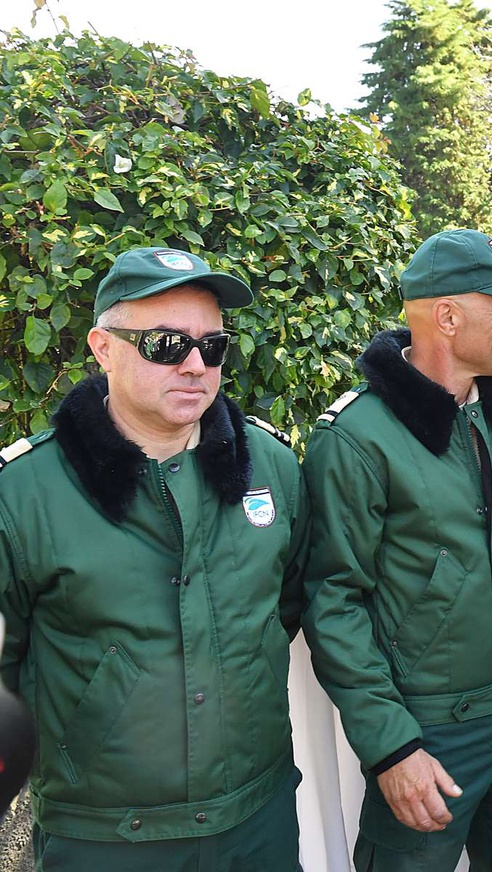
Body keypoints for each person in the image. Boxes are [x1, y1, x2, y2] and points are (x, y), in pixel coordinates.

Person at [0, 247, 308, 871]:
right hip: (106, 839)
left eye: (213, 346)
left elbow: (290, 603)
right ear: (103, 347)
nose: (195, 365)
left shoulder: (271, 468)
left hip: (258, 820)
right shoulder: (25, 492)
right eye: (166, 345)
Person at [301, 229, 492, 871]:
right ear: (446, 316)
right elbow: (332, 603)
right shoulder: (357, 439)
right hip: (431, 732)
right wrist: (391, 748)